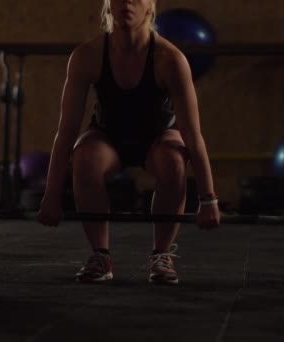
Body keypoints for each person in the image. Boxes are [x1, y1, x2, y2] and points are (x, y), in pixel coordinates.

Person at [37, 0, 220, 285]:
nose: (128, 1)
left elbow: (193, 134)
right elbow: (67, 129)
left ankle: (162, 255)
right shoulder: (87, 56)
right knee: (84, 156)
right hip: (108, 137)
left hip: (158, 137)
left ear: (151, 5)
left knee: (174, 159)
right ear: (108, 4)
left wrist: (209, 198)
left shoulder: (170, 59)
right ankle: (100, 255)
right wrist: (50, 195)